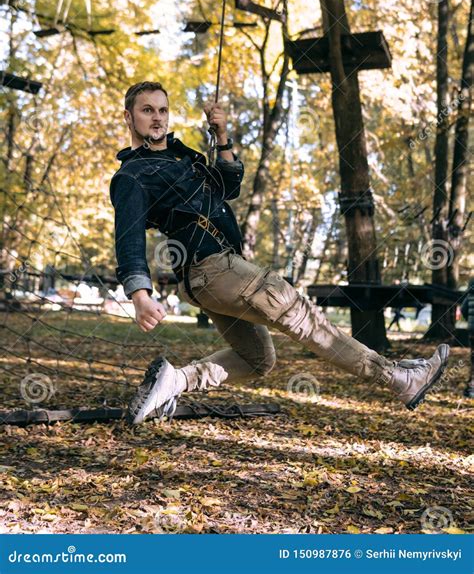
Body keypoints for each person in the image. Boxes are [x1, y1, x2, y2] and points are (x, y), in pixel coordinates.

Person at [109, 81, 450, 425]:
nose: (157, 118)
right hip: (212, 270)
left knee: (257, 358)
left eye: (163, 110)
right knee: (305, 318)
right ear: (129, 116)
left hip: (217, 275)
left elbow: (228, 187)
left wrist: (222, 136)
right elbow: (129, 237)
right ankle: (398, 379)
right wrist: (140, 294)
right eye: (147, 110)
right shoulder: (133, 175)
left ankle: (174, 381)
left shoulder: (181, 158)